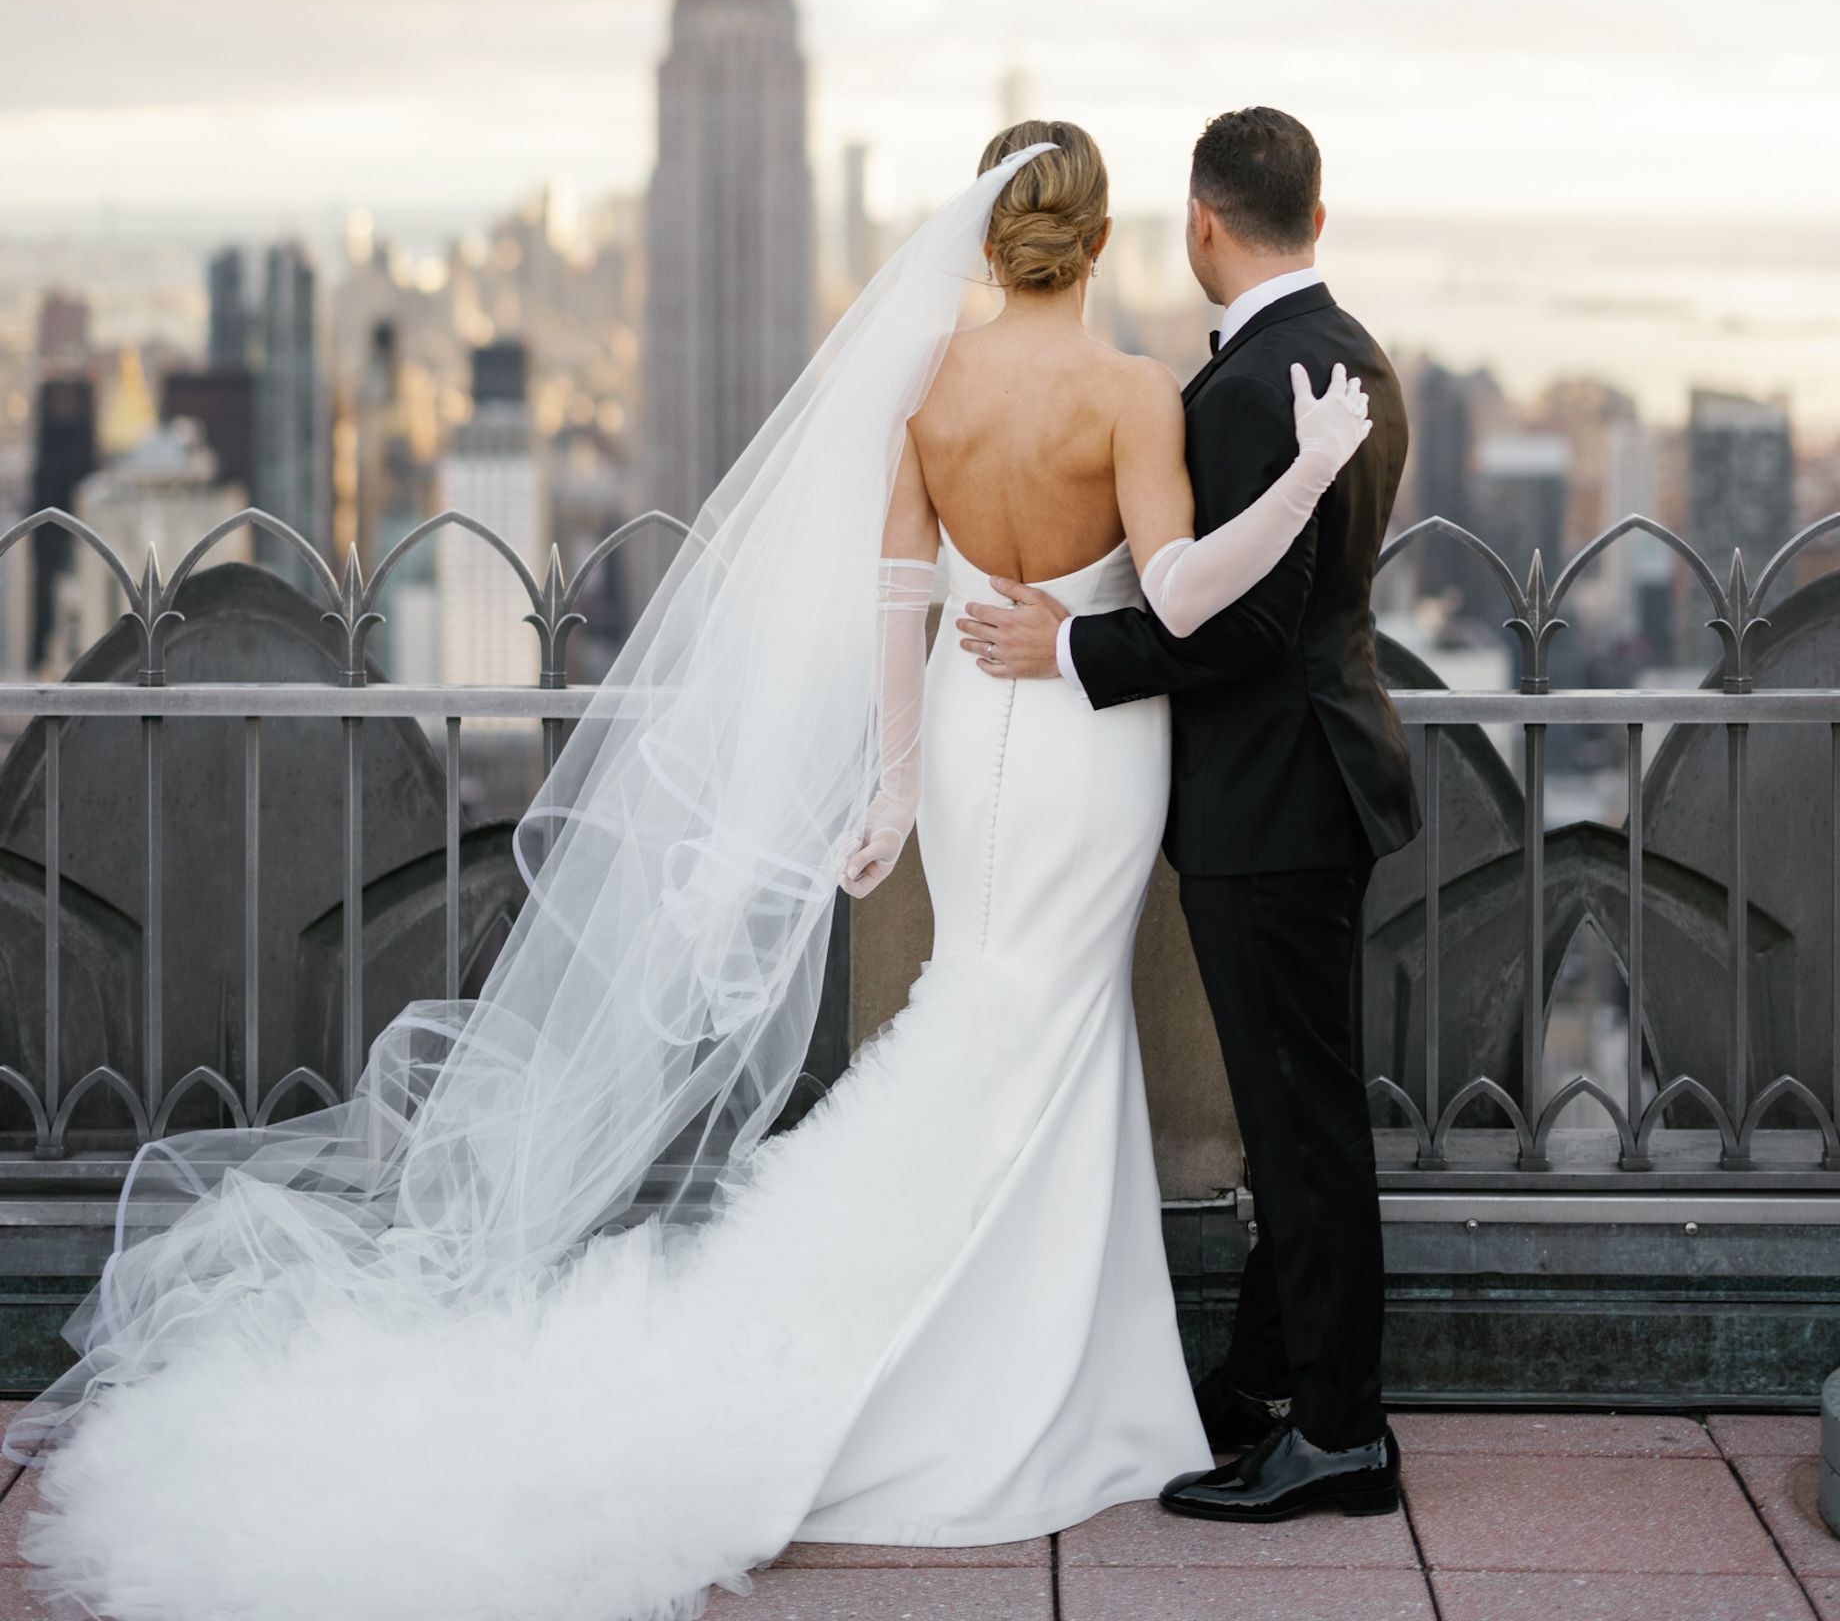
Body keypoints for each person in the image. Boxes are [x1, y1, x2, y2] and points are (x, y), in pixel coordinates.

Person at [4, 122, 1375, 1621]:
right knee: (1046, 1026)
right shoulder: (1129, 396)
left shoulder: (926, 388)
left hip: (975, 729)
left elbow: (901, 590)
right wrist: (1304, 479)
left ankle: (1025, 1358)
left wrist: (898, 787)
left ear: (983, 242)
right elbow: (1175, 593)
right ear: (1108, 240)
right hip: (1087, 753)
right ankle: (1032, 1382)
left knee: (993, 1007)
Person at [957, 106, 1422, 1523]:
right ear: (1318, 220)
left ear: (1203, 224)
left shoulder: (1246, 389)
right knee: (1302, 1109)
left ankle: (1338, 1431)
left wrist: (1074, 652)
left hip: (1268, 801)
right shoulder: (1363, 361)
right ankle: (1268, 1373)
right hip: (1322, 778)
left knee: (1301, 1128)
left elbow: (1232, 623)